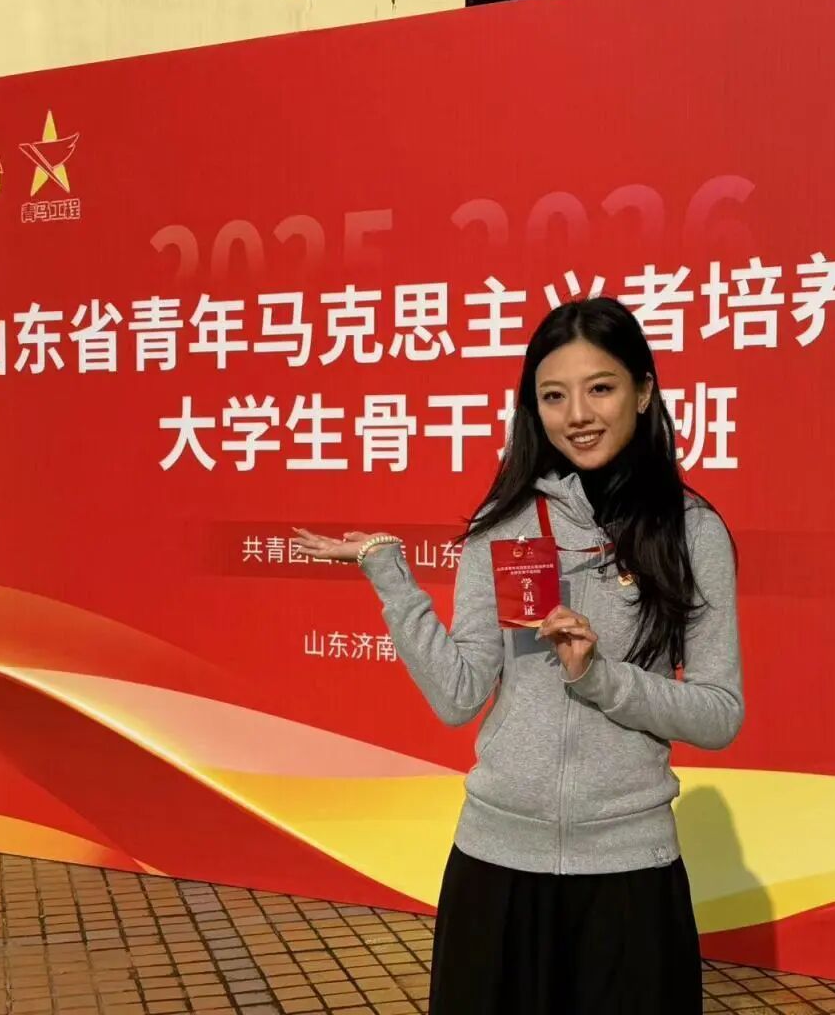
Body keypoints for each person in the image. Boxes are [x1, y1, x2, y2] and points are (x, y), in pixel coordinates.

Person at [292, 296, 744, 1014]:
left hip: (629, 875)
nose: (578, 415)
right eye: (553, 396)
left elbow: (719, 714)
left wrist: (600, 678)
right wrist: (389, 574)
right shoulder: (503, 527)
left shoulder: (692, 532)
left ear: (643, 391)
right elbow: (458, 696)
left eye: (601, 387)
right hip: (496, 868)